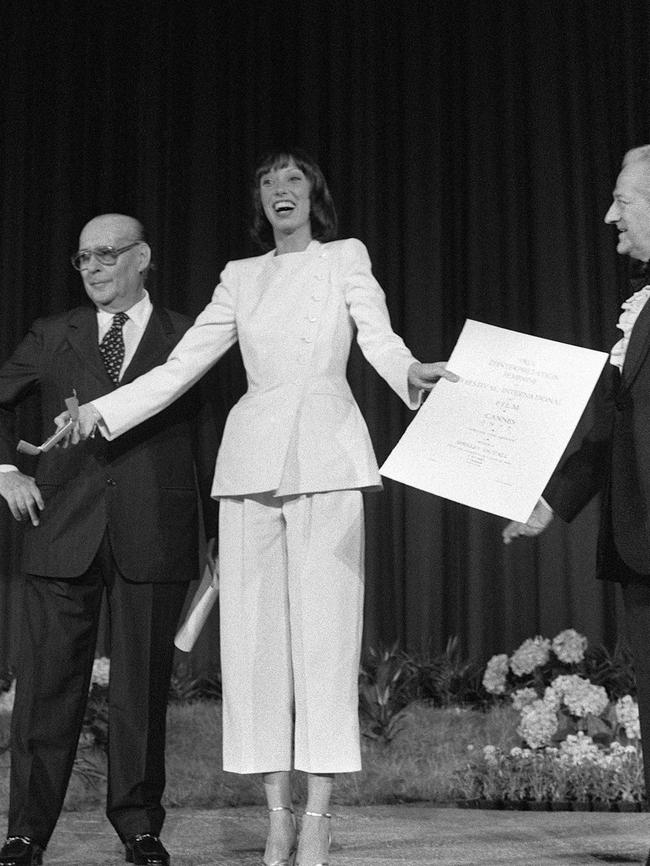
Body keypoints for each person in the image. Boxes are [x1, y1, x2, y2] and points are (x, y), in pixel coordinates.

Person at [63, 150, 458, 866]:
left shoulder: (345, 257)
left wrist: (409, 372)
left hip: (329, 457)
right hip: (249, 463)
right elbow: (180, 368)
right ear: (259, 202)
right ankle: (276, 815)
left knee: (325, 639)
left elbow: (378, 336)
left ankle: (317, 817)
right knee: (251, 649)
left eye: (294, 180)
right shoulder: (239, 278)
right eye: (269, 182)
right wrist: (97, 410)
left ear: (314, 196)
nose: (281, 190)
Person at [0, 214, 220, 866]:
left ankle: (138, 827)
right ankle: (25, 834)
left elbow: (215, 436)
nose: (93, 268)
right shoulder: (52, 335)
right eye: (83, 258)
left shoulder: (188, 336)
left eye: (106, 255)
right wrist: (7, 470)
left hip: (156, 529)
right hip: (62, 527)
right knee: (45, 690)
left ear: (142, 257)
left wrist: (218, 531)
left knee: (141, 693)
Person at [503, 145, 650, 864]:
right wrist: (549, 507)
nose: (608, 216)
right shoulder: (640, 305)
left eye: (622, 200)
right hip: (639, 543)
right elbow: (606, 431)